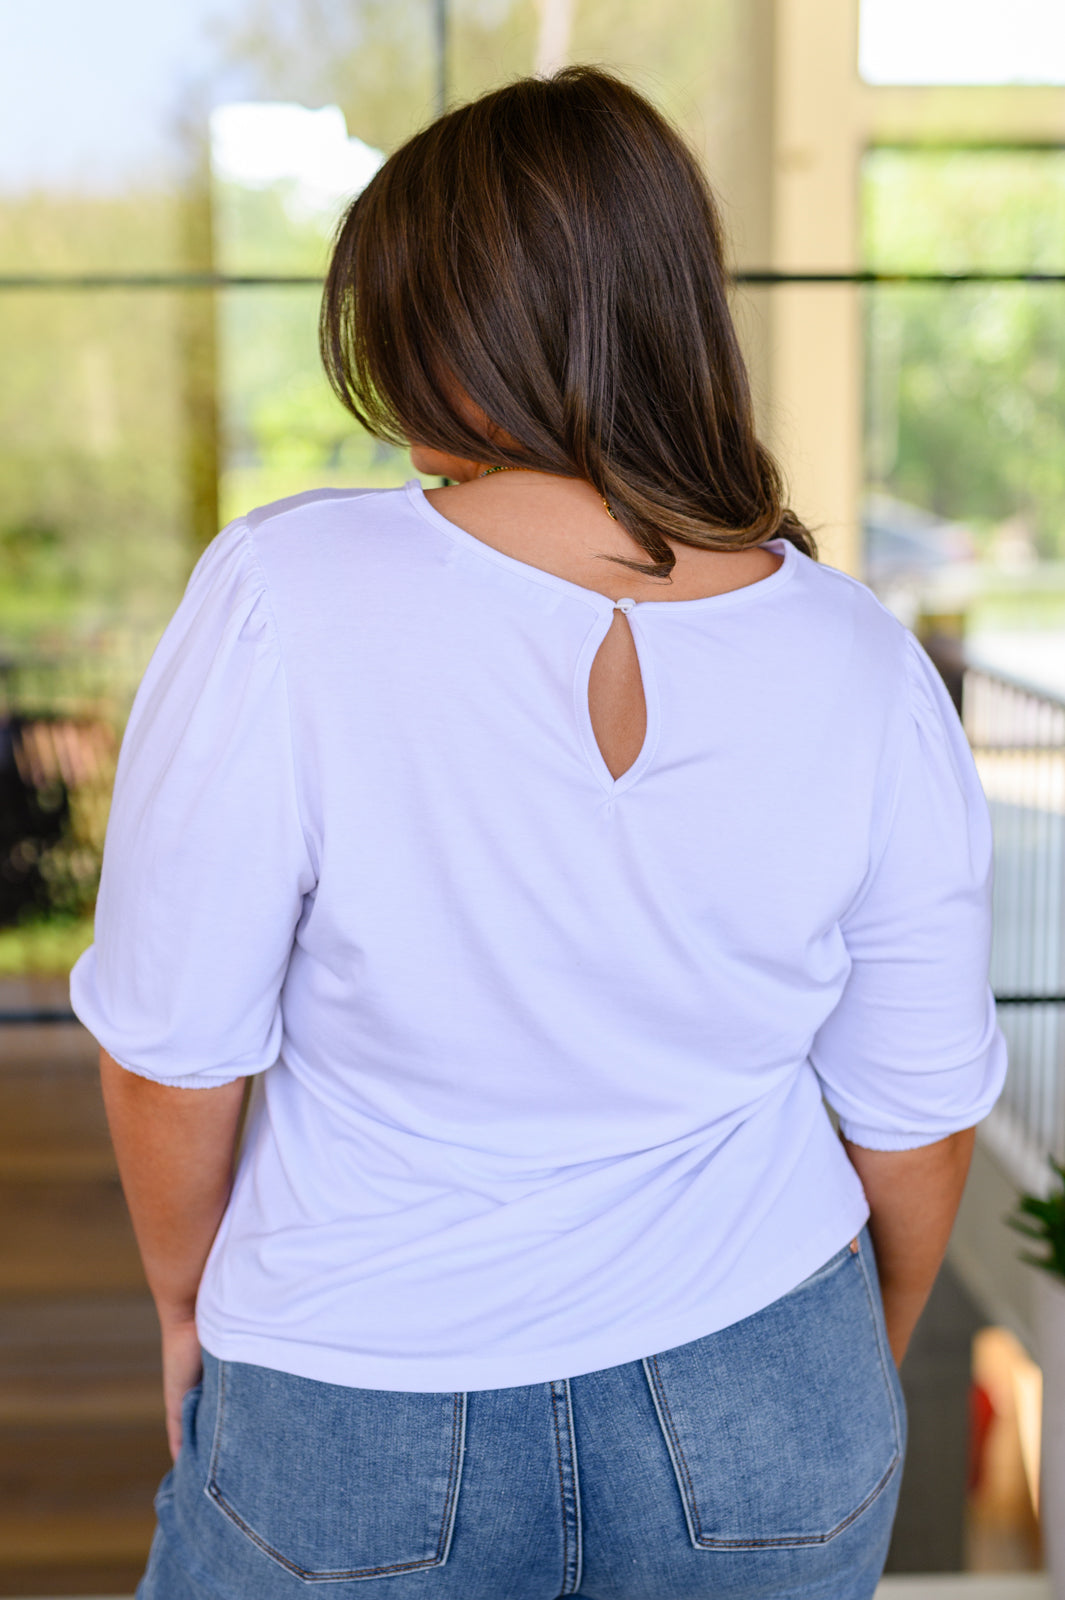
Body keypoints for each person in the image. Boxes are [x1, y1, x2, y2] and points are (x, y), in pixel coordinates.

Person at [70, 65, 1006, 1600]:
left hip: (354, 1392)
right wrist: (835, 1362)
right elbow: (914, 1109)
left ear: (433, 323)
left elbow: (174, 1046)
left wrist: (187, 1300)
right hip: (762, 1381)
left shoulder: (290, 598)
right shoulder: (858, 657)